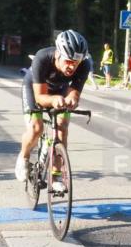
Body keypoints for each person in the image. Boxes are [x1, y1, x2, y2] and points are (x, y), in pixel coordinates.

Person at [15, 30, 90, 186]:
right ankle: (23, 157)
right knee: (36, 128)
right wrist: (54, 99)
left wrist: (72, 99)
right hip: (35, 88)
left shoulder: (84, 65)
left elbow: (74, 92)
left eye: (76, 63)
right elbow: (40, 98)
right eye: (68, 61)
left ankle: (56, 175)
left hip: (59, 89)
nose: (72, 67)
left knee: (62, 127)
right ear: (58, 54)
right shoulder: (42, 58)